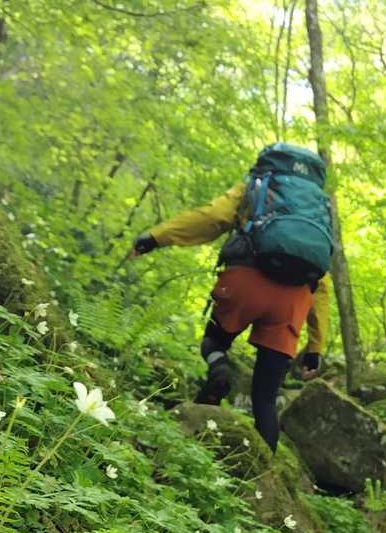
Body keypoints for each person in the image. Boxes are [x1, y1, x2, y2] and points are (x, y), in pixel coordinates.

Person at [127, 145, 332, 450]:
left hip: (246, 281)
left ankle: (218, 371)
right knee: (265, 398)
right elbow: (323, 282)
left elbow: (212, 217)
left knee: (213, 343)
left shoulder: (256, 185)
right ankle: (263, 472)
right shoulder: (319, 208)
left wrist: (156, 237)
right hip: (294, 300)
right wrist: (315, 346)